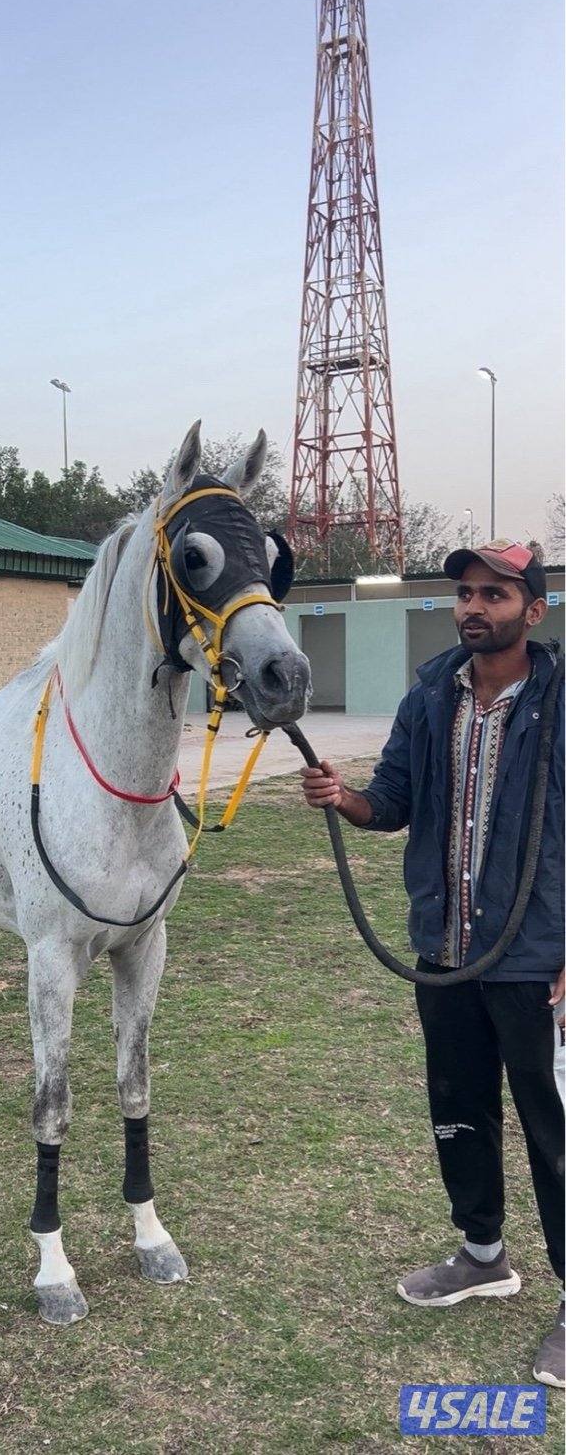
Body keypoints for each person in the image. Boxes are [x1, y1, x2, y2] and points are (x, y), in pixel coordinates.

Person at [300, 540, 564, 1389]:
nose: (473, 607)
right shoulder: (429, 697)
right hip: (445, 952)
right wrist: (344, 798)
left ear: (534, 609)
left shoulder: (560, 701)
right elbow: (394, 802)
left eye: (494, 593)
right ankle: (482, 1253)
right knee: (457, 1106)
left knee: (553, 1129)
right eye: (463, 594)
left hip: (536, 956)